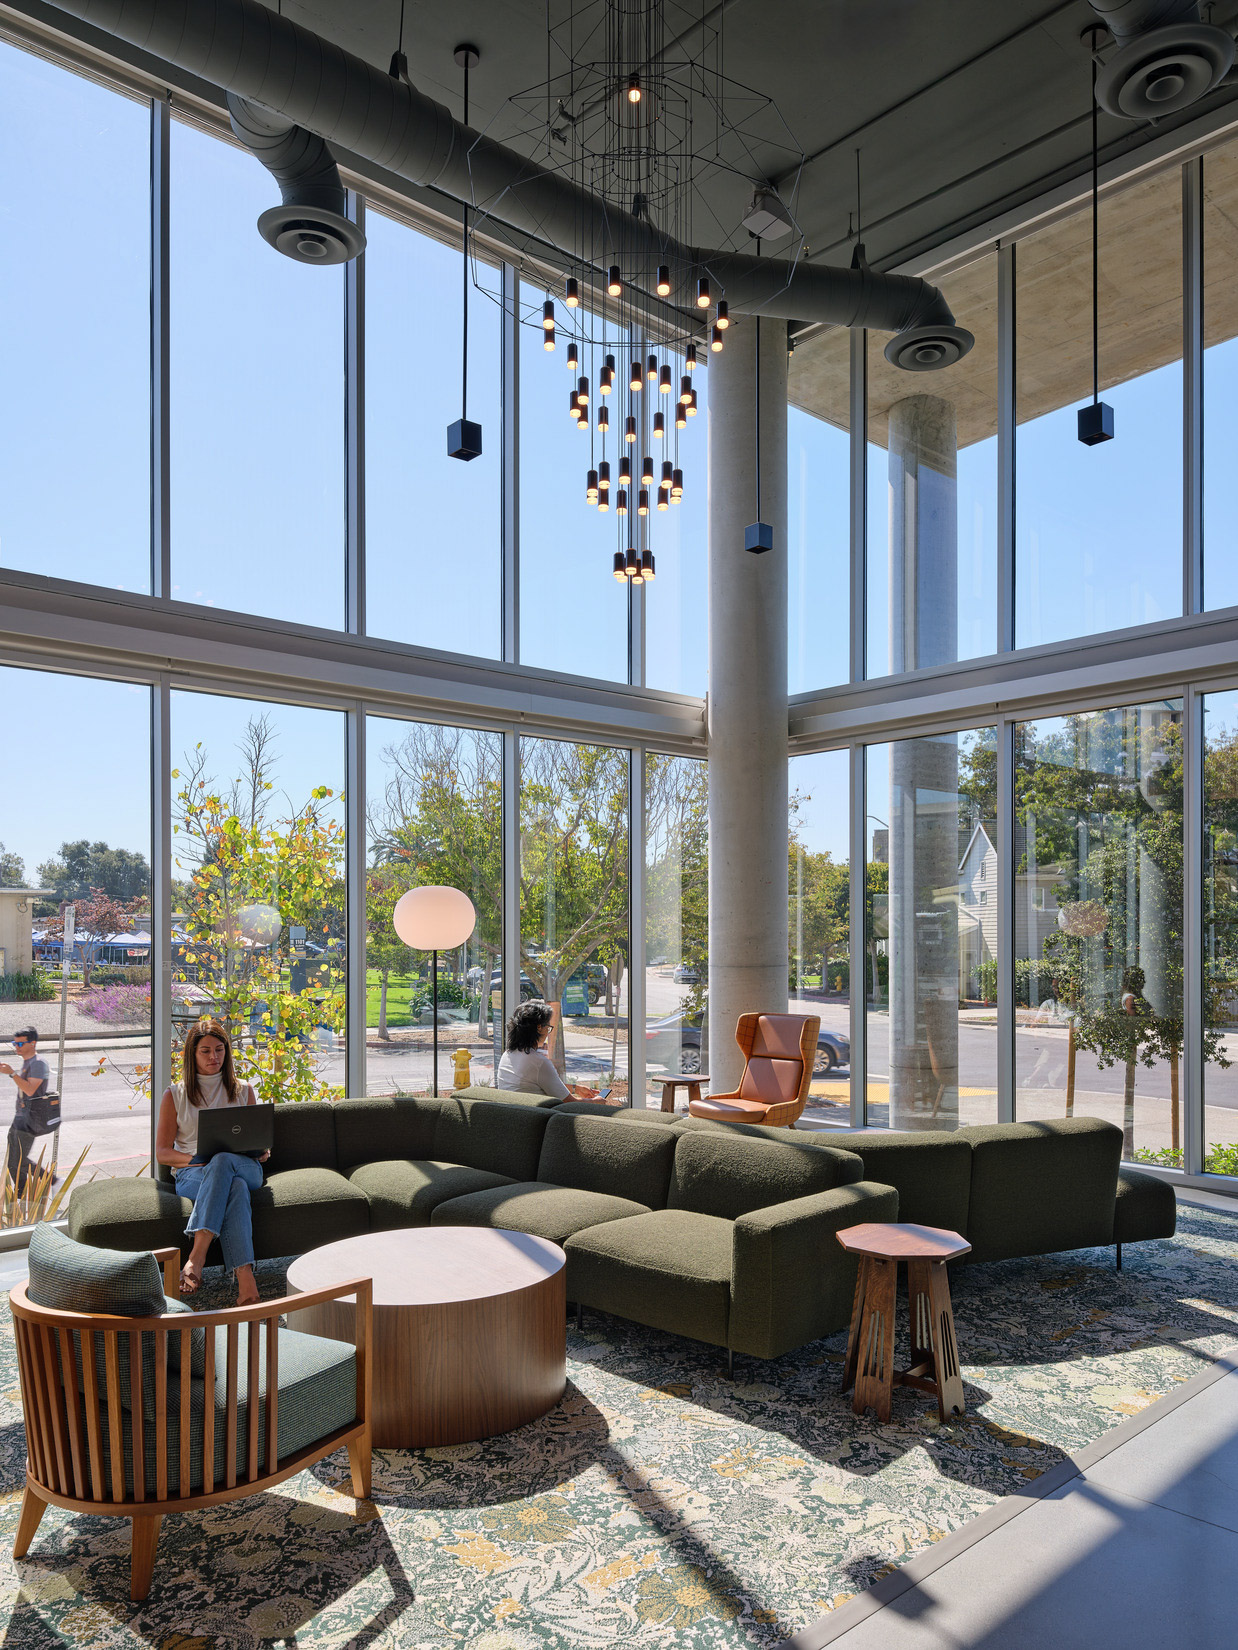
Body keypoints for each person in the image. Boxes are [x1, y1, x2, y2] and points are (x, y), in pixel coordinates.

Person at [155, 1018, 269, 1305]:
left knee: (223, 1162)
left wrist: (260, 1149)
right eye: (205, 1051)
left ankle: (197, 1255)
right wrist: (196, 1160)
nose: (213, 1057)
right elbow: (163, 1153)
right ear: (192, 1054)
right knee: (235, 1189)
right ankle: (246, 1282)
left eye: (219, 1050)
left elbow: (258, 1142)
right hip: (195, 1174)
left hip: (245, 1167)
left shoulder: (243, 1090)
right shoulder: (174, 1095)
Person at [0, 1027, 50, 1193]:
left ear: (33, 1043)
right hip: (21, 1117)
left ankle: (51, 1181)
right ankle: (22, 1193)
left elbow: (30, 1090)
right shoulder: (29, 1062)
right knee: (12, 1162)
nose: (17, 1047)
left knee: (18, 1161)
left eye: (21, 1043)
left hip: (30, 1119)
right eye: (15, 1043)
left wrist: (12, 1073)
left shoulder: (39, 1063)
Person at [496, 1000, 570, 1100]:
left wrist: (575, 1088)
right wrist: (598, 1099)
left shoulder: (508, 1054)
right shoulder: (539, 1062)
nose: (548, 1033)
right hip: (536, 1114)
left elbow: (542, 1083)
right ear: (539, 1027)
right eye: (548, 1028)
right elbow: (569, 1102)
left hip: (516, 1112)